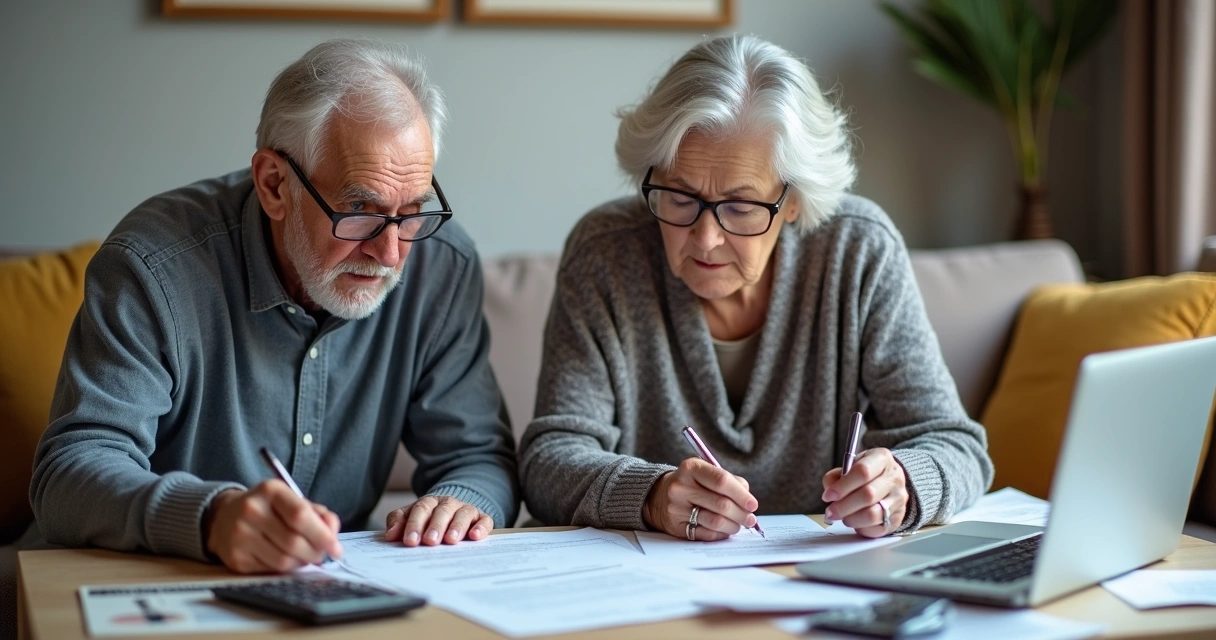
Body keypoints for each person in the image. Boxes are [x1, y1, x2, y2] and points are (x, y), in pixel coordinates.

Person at [30, 39, 519, 574]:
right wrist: (208, 518)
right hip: (170, 575)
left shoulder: (441, 266)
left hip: (337, 587)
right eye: (359, 210)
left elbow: (477, 457)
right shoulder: (154, 267)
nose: (391, 251)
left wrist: (461, 502)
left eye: (412, 211)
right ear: (273, 185)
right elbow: (68, 474)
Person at [519, 35, 993, 541]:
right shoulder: (605, 254)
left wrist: (904, 484)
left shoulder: (857, 251)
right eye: (679, 197)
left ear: (793, 201)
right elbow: (548, 461)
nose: (705, 237)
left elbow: (957, 447)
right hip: (658, 578)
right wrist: (651, 497)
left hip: (818, 578)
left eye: (741, 208)